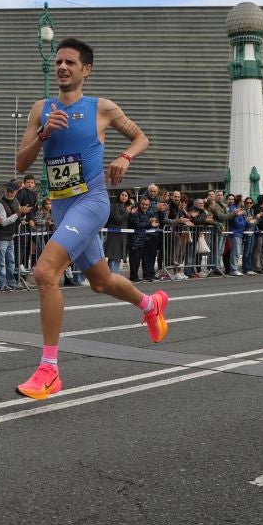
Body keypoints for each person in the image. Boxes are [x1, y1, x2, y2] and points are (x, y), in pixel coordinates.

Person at [13, 37, 168, 400]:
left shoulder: (102, 108)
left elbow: (141, 137)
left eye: (70, 62)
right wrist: (43, 133)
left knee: (44, 272)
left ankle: (49, 370)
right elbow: (21, 164)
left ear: (86, 70)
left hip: (92, 201)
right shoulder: (42, 109)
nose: (62, 67)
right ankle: (150, 304)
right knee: (100, 281)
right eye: (58, 62)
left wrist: (125, 157)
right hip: (63, 207)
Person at [0, 179, 22, 291]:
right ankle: (1, 284)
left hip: (10, 235)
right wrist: (19, 213)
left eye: (12, 191)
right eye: (8, 191)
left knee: (11, 261)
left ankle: (11, 283)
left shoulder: (16, 201)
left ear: (16, 192)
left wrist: (23, 215)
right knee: (1, 262)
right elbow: (4, 222)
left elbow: (19, 218)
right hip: (1, 236)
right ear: (5, 190)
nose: (9, 193)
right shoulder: (0, 204)